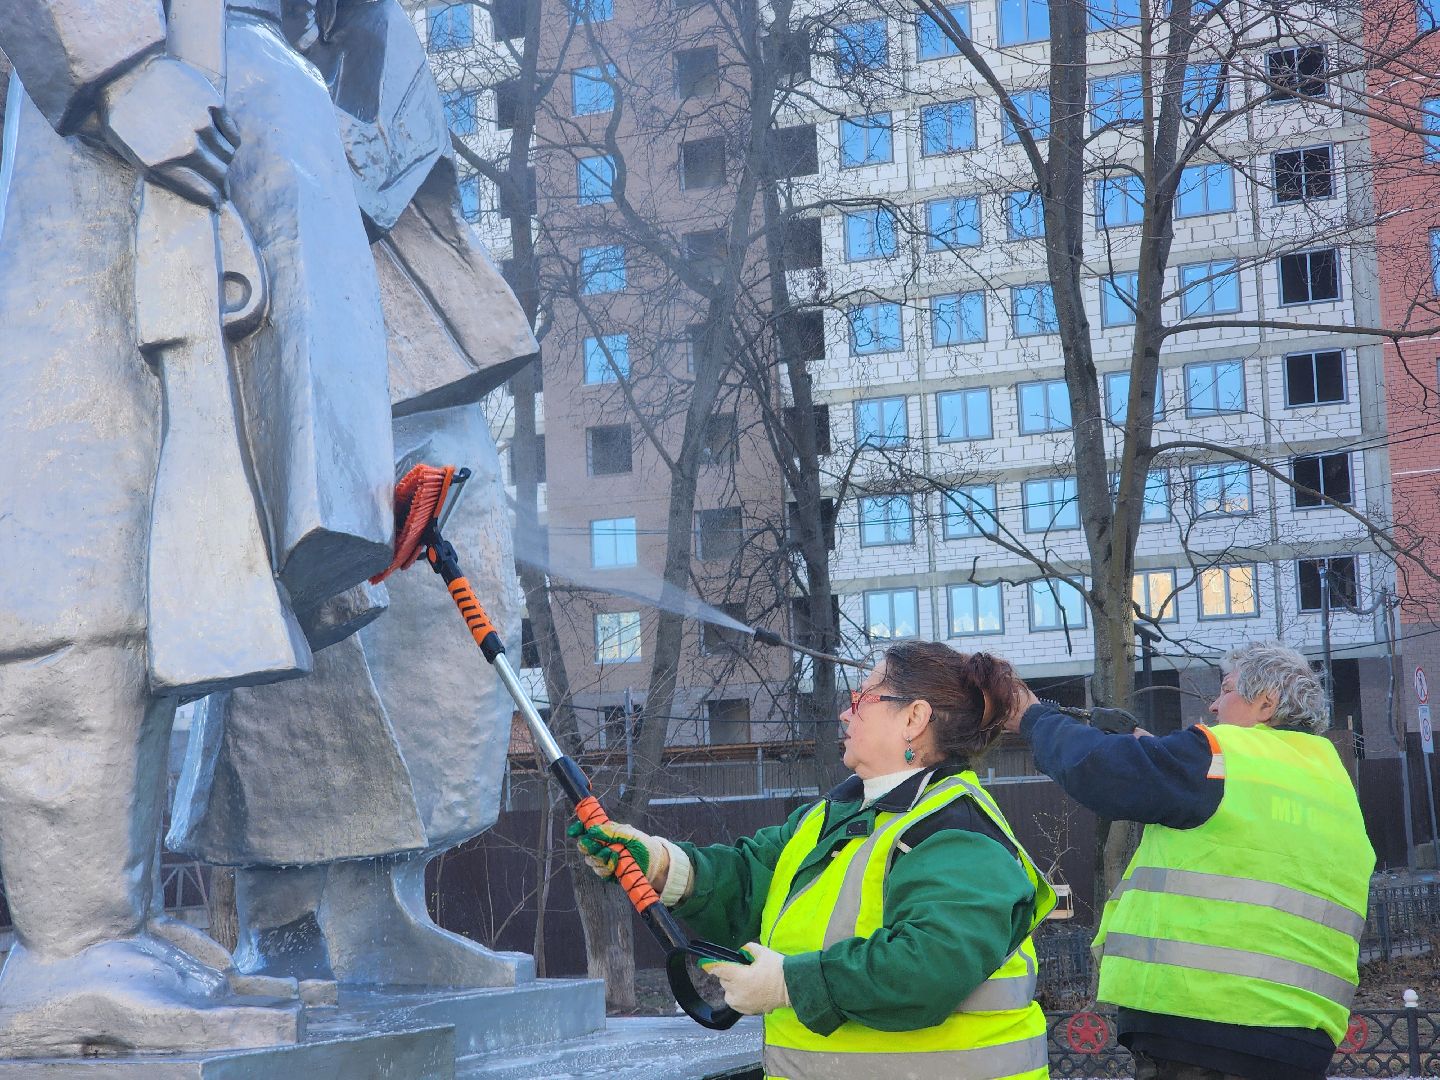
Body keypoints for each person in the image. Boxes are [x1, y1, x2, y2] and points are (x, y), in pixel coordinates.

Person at [572, 642, 1056, 1080]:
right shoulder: (832, 817)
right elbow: (751, 879)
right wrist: (658, 864)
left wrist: (789, 983)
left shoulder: (958, 831)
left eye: (862, 699)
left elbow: (929, 966)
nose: (845, 715)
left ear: (914, 718)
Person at [1005, 640, 1375, 1080]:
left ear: (1266, 704)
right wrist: (1156, 751)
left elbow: (1099, 770)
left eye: (1226, 690)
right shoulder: (1330, 780)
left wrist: (1032, 716)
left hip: (1201, 1032)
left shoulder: (1222, 756)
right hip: (1301, 1039)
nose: (1215, 706)